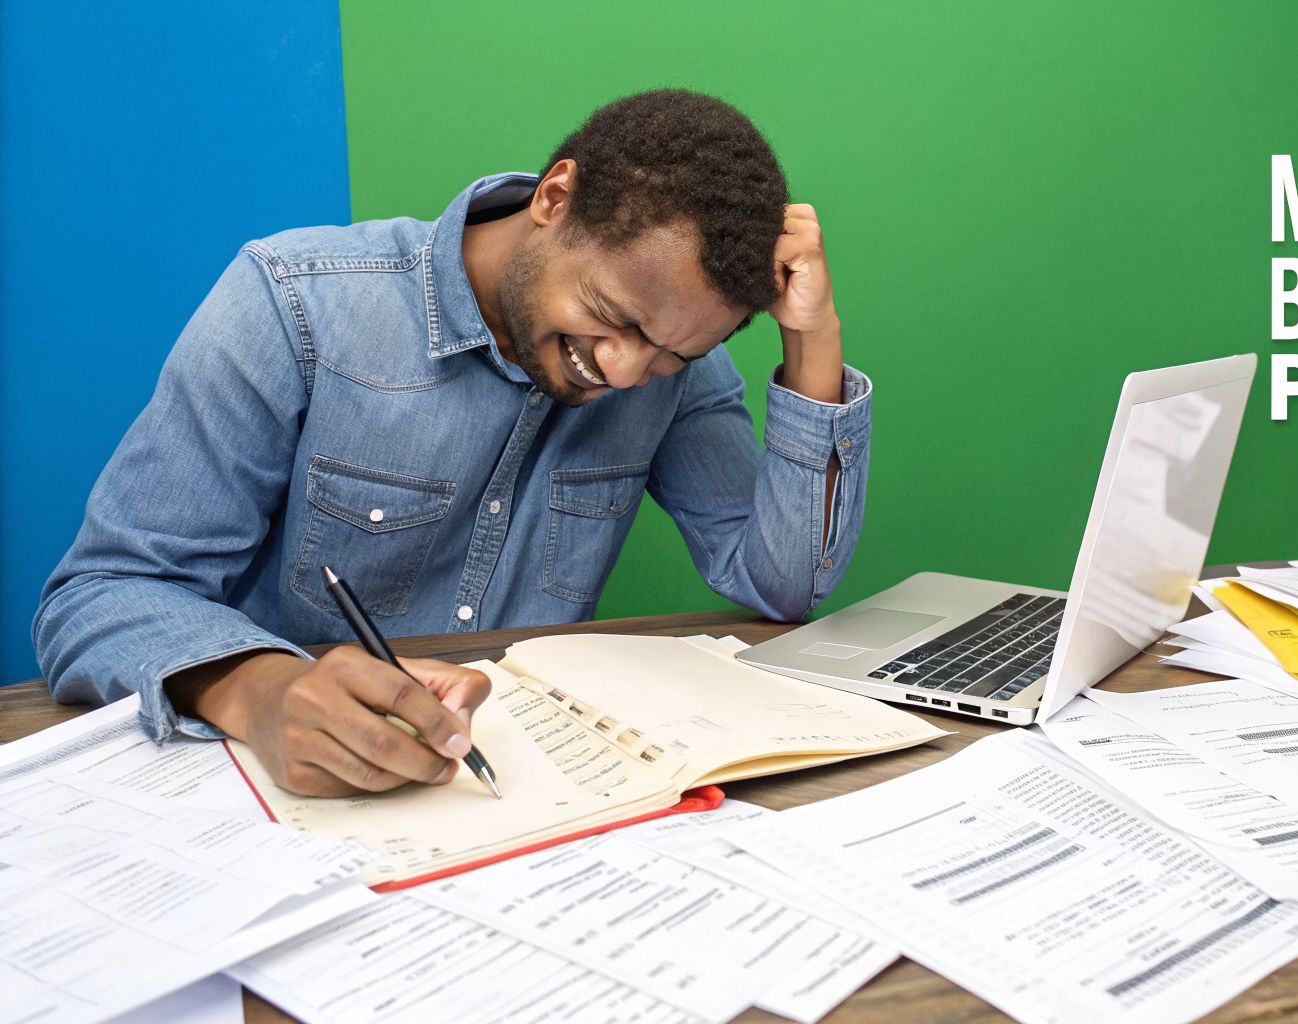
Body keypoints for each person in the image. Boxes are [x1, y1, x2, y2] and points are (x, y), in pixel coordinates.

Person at [33, 90, 870, 797]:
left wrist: (814, 341)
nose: (623, 372)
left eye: (671, 354)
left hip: (534, 800)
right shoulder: (295, 306)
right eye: (614, 319)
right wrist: (258, 691)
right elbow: (100, 595)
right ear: (555, 198)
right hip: (279, 796)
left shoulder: (673, 364)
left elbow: (781, 584)